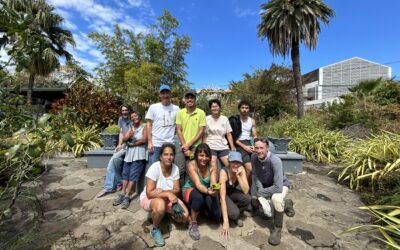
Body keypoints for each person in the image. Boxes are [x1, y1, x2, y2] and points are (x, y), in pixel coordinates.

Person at [139, 143, 189, 247]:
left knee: (184, 217)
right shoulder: (154, 168)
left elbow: (177, 190)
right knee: (160, 205)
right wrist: (166, 193)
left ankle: (166, 214)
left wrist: (164, 192)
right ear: (161, 156)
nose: (169, 157)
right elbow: (149, 193)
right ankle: (155, 229)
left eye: (171, 154)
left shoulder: (175, 168)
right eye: (165, 154)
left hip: (167, 198)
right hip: (150, 199)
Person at [251, 138, 295, 246]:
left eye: (261, 148)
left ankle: (277, 229)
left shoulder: (275, 160)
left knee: (276, 199)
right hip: (267, 186)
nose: (259, 150)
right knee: (255, 200)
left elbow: (278, 187)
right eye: (256, 148)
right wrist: (260, 190)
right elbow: (256, 176)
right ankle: (287, 203)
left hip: (281, 185)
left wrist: (261, 193)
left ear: (267, 148)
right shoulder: (253, 157)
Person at [182, 143, 221, 241]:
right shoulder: (191, 165)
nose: (204, 158)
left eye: (206, 156)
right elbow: (198, 184)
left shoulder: (212, 165)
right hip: (190, 189)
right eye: (201, 155)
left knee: (216, 216)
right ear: (196, 156)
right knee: (198, 198)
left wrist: (213, 189)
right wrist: (208, 192)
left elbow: (212, 181)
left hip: (205, 190)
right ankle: (193, 222)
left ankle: (201, 208)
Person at [113, 111, 147, 209]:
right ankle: (123, 193)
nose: (133, 118)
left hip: (139, 155)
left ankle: (127, 196)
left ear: (140, 117)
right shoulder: (131, 127)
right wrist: (128, 136)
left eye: (135, 116)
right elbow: (124, 139)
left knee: (133, 175)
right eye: (132, 117)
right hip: (129, 155)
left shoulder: (145, 126)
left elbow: (145, 139)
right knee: (125, 174)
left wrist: (133, 143)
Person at [97, 105, 132, 198]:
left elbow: (131, 136)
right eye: (123, 110)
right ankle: (119, 183)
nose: (124, 112)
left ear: (129, 111)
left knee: (113, 160)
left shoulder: (132, 120)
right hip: (124, 145)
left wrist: (123, 145)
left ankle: (108, 187)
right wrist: (119, 144)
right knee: (116, 161)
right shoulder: (121, 119)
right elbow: (121, 133)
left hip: (131, 146)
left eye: (126, 110)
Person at [219, 152, 251, 238]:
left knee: (248, 198)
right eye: (233, 162)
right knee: (235, 213)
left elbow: (246, 190)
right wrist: (226, 222)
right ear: (229, 162)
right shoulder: (224, 172)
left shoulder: (241, 169)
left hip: (232, 193)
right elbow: (222, 197)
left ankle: (232, 212)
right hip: (223, 195)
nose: (236, 165)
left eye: (238, 162)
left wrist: (239, 176)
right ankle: (229, 215)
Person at [146, 84, 179, 166]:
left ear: (170, 94)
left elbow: (179, 125)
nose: (165, 95)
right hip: (156, 144)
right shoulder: (153, 107)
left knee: (169, 168)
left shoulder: (176, 109)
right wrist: (150, 142)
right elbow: (149, 125)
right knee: (154, 169)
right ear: (160, 95)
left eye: (167, 93)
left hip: (169, 143)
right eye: (163, 93)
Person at [203, 99, 235, 170]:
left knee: (231, 166)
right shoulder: (206, 119)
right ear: (210, 108)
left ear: (219, 107)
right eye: (212, 107)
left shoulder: (224, 119)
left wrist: (232, 148)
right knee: (213, 165)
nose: (215, 108)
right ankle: (213, 181)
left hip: (223, 146)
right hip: (210, 146)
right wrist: (204, 146)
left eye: (216, 106)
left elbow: (229, 134)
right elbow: (205, 135)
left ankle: (230, 181)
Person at [176, 89, 206, 165]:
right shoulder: (180, 113)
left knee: (193, 168)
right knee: (180, 169)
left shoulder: (201, 113)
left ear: (195, 99)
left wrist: (188, 145)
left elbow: (201, 131)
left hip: (196, 146)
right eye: (187, 98)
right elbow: (179, 130)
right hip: (182, 145)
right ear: (184, 100)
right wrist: (185, 146)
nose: (189, 99)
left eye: (192, 98)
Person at [231, 100, 257, 182]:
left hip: (249, 143)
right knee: (249, 168)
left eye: (247, 108)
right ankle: (245, 189)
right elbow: (234, 138)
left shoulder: (252, 121)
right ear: (239, 109)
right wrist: (245, 147)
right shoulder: (235, 120)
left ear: (249, 109)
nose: (244, 109)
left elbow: (255, 136)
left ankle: (249, 189)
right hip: (239, 144)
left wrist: (255, 145)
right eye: (242, 108)